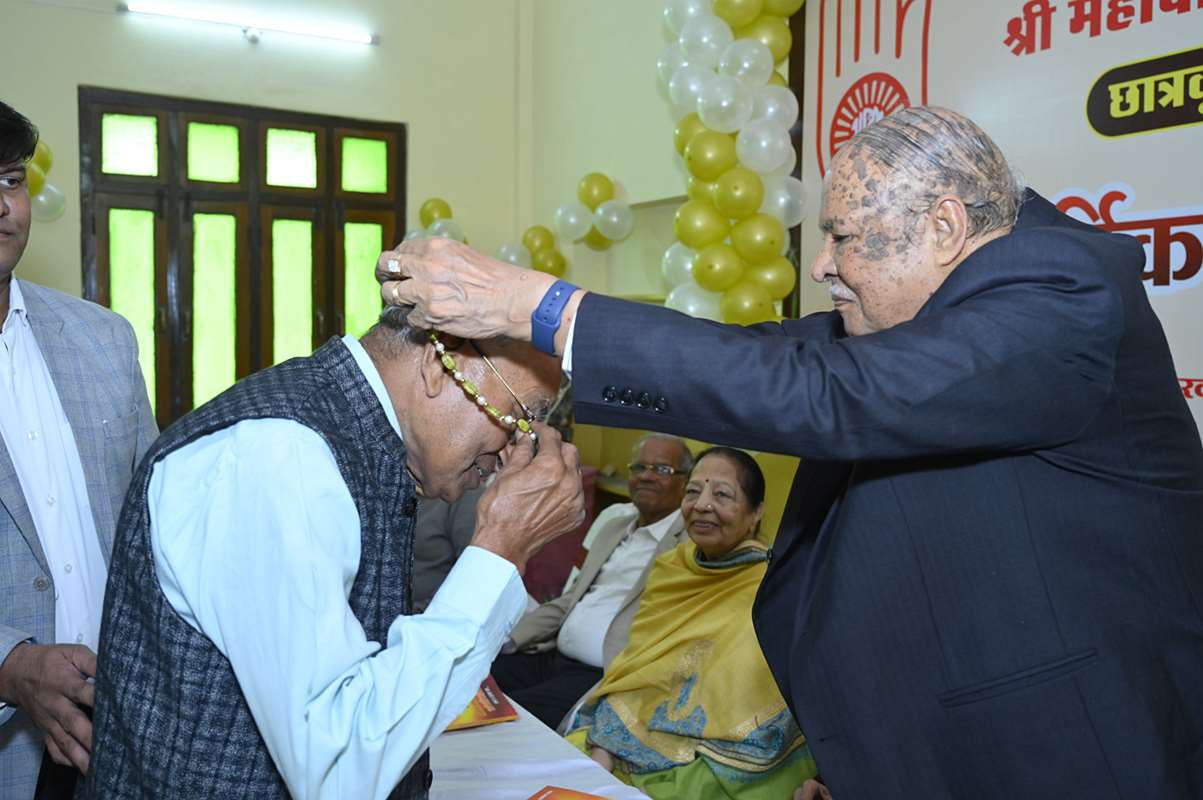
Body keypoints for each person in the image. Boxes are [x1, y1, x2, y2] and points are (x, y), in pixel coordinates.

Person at [378, 106, 1203, 799]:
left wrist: (544, 306)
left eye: (843, 237)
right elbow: (770, 356)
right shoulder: (933, 317)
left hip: (1058, 756)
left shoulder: (1061, 295)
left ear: (945, 228)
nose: (821, 264)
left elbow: (825, 394)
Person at [83, 309, 585, 800]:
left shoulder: (357, 444)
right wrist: (499, 549)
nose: (514, 452)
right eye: (521, 417)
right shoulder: (279, 455)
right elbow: (339, 770)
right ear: (440, 363)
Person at [0, 101, 156, 799]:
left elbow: (155, 521)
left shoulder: (103, 339)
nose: (2, 205)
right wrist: (9, 666)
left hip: (120, 727)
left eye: (10, 181)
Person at [569, 446, 818, 800]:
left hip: (720, 753)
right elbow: (636, 668)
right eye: (693, 491)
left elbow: (754, 694)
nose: (702, 505)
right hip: (636, 723)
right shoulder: (673, 568)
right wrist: (608, 744)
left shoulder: (770, 589)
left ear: (756, 513)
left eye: (722, 494)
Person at [491, 433, 692, 727]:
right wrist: (506, 639)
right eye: (639, 467)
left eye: (662, 469)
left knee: (513, 719)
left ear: (685, 482)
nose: (646, 476)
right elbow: (569, 601)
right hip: (551, 656)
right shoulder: (614, 526)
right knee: (476, 680)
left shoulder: (687, 544)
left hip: (600, 676)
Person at [411, 485, 484, 612]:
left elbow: (474, 577)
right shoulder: (388, 487)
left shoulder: (465, 494)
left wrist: (420, 614)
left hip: (427, 616)